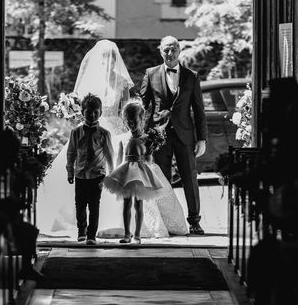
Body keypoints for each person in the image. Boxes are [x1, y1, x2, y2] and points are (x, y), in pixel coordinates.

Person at [36, 39, 188, 239]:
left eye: (111, 57)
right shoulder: (91, 80)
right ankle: (82, 226)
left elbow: (126, 110)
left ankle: (124, 227)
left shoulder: (122, 82)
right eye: (105, 57)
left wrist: (134, 131)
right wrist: (72, 109)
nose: (108, 61)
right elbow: (83, 108)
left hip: (115, 131)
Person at [140, 35, 207, 234]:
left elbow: (199, 110)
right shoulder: (150, 74)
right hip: (158, 135)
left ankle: (194, 221)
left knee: (190, 178)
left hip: (185, 135)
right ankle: (168, 222)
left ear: (179, 51)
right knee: (162, 180)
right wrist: (139, 133)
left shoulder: (191, 76)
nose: (170, 54)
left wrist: (202, 138)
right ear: (160, 51)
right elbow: (142, 106)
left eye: (174, 49)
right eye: (166, 50)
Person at [103, 101, 171, 244]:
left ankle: (137, 235)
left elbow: (148, 159)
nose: (131, 124)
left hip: (140, 174)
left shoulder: (147, 139)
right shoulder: (124, 139)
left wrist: (150, 151)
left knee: (138, 204)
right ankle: (127, 234)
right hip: (126, 172)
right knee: (126, 203)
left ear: (141, 119)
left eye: (134, 121)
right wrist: (114, 175)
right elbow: (120, 158)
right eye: (128, 122)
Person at [66, 93, 115, 245]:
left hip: (97, 174)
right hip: (80, 173)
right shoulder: (76, 132)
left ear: (101, 112)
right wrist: (69, 171)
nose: (92, 115)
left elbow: (109, 155)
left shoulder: (104, 134)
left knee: (94, 205)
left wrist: (111, 175)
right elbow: (71, 153)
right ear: (82, 112)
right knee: (80, 204)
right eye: (88, 112)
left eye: (96, 112)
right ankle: (82, 231)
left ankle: (91, 235)